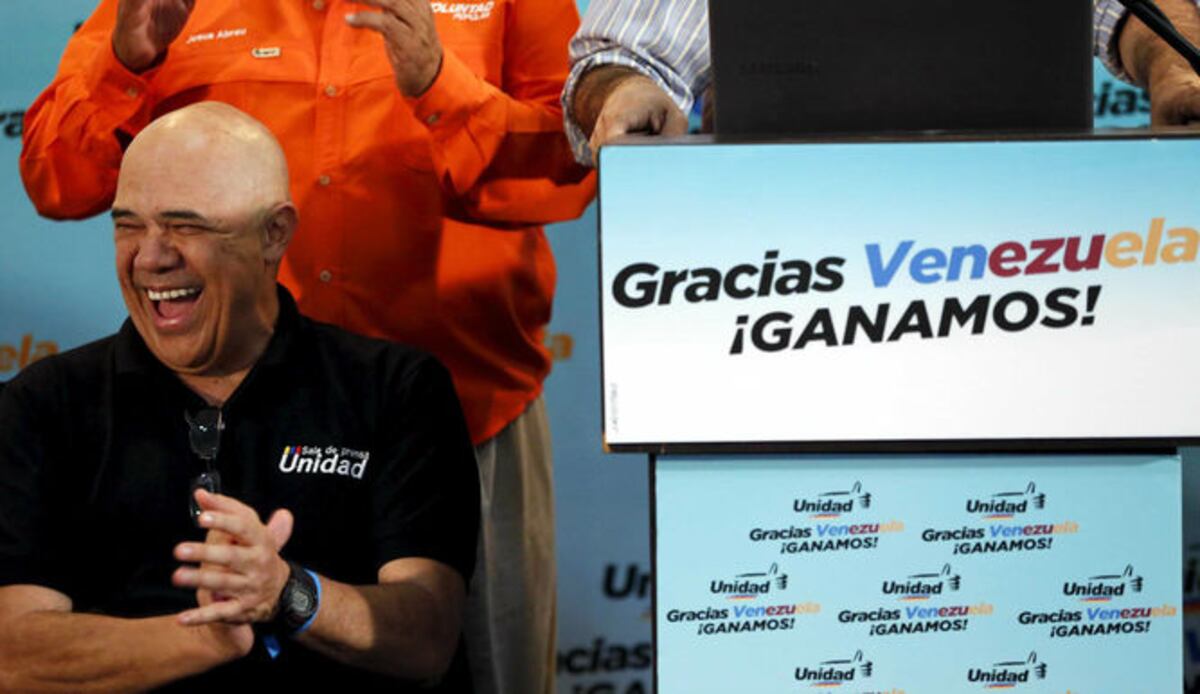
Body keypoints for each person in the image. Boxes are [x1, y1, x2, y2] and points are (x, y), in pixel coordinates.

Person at [20, 2, 594, 691]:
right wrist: (125, 65)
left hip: (467, 416)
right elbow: (56, 179)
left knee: (460, 661)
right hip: (214, 425)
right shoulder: (154, 10)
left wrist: (441, 88)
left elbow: (573, 168)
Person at [0, 102, 480, 692]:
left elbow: (428, 637)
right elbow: (12, 652)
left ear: (274, 233)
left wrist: (287, 592)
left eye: (186, 226)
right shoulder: (41, 404)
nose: (150, 257)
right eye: (128, 226)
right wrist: (203, 640)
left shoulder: (396, 388)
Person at [563, 0, 1200, 163]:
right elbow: (622, 55)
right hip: (783, 252)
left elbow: (1131, 11)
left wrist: (1175, 69)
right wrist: (623, 92)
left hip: (1032, 238)